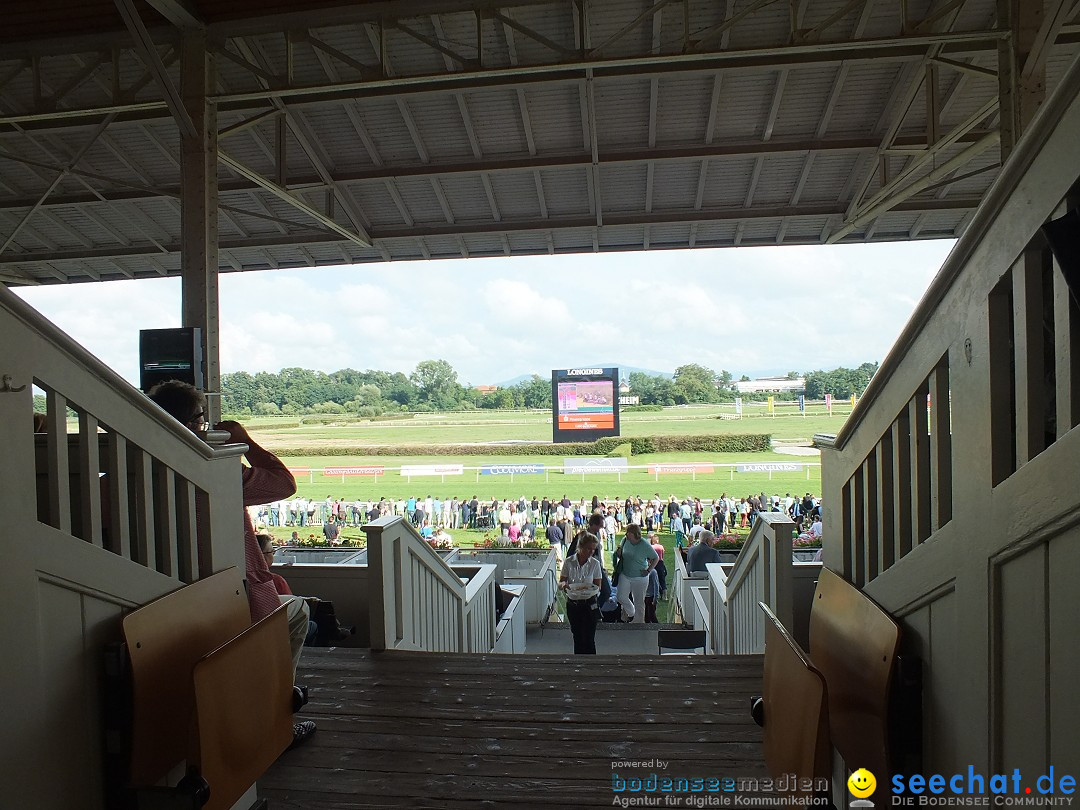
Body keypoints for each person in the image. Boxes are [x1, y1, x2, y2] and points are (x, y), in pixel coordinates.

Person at [146, 380, 315, 749]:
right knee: (297, 612)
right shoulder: (215, 468)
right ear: (192, 423)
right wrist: (244, 440)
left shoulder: (141, 464)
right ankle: (276, 717)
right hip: (228, 598)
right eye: (202, 418)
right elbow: (284, 484)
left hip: (164, 595)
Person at [559, 532, 603, 654]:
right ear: (581, 547)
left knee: (589, 638)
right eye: (589, 548)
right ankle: (578, 664)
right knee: (577, 637)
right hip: (573, 604)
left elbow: (598, 586)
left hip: (589, 604)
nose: (591, 552)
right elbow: (562, 582)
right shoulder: (569, 562)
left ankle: (591, 665)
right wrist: (564, 585)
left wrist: (592, 590)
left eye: (593, 549)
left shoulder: (595, 564)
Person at [614, 524, 658, 624]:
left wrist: (648, 570)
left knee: (639, 601)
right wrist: (619, 553)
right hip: (625, 574)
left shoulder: (645, 544)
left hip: (640, 577)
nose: (626, 534)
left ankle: (638, 622)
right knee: (620, 596)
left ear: (633, 534)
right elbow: (621, 554)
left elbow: (656, 558)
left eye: (628, 533)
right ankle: (631, 612)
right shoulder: (625, 540)